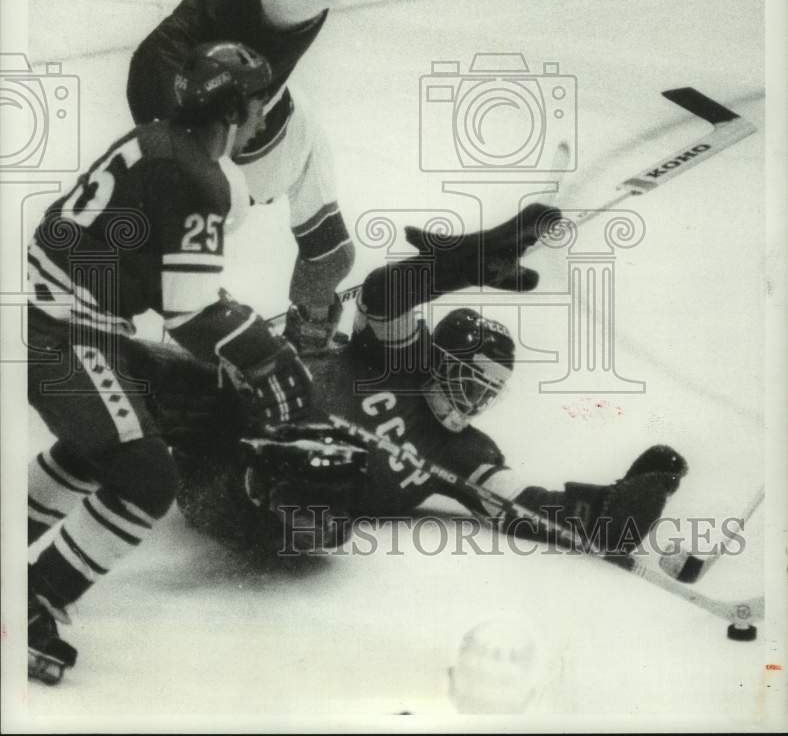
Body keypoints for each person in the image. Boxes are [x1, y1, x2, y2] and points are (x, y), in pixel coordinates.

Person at [26, 40, 365, 685]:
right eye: (259, 104)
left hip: (55, 320)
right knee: (148, 476)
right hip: (64, 334)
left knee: (107, 445)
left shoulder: (156, 141)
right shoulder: (197, 177)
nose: (263, 118)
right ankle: (32, 600)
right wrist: (267, 355)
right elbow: (188, 313)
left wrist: (234, 330)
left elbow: (159, 282)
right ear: (233, 110)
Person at [165, 200, 688, 557]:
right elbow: (383, 295)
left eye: (485, 394)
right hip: (229, 402)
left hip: (239, 481)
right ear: (439, 360)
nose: (471, 403)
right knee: (180, 372)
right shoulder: (406, 359)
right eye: (468, 382)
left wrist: (608, 514)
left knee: (315, 507)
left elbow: (521, 503)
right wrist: (454, 268)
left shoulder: (464, 451)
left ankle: (257, 484)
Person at [127, 0, 366, 356]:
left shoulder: (187, 105)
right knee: (323, 252)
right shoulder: (199, 170)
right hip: (233, 135)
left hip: (243, 88)